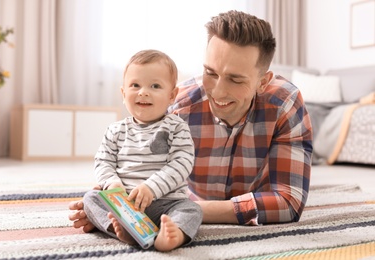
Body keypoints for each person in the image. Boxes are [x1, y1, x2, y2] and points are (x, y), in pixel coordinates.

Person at [70, 10, 312, 234]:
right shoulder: (176, 107)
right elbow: (138, 165)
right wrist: (116, 203)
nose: (217, 91)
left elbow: (288, 203)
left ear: (263, 81)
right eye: (211, 73)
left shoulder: (284, 105)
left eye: (235, 80)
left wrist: (173, 212)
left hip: (181, 206)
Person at [82, 49, 202, 252]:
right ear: (123, 93)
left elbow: (181, 163)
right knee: (90, 199)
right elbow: (103, 161)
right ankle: (124, 230)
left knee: (192, 209)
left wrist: (151, 188)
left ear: (172, 95)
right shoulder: (115, 130)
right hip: (125, 204)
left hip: (166, 203)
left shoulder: (177, 127)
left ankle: (174, 235)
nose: (143, 92)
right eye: (135, 85)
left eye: (155, 86)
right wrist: (111, 183)